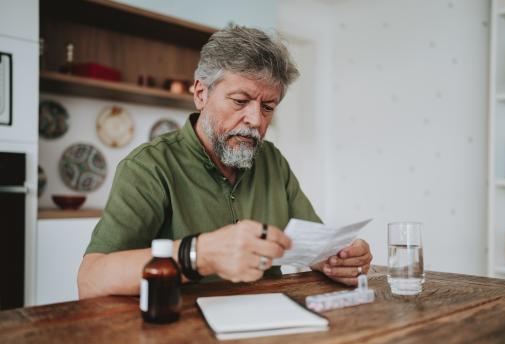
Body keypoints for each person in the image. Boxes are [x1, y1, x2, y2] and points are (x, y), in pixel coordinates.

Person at [77, 26, 373, 299]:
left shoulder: (273, 160)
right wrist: (200, 254)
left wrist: (337, 260)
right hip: (180, 332)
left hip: (270, 325)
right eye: (240, 101)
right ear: (201, 94)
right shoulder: (148, 167)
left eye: (268, 107)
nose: (256, 120)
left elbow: (314, 247)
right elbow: (90, 281)